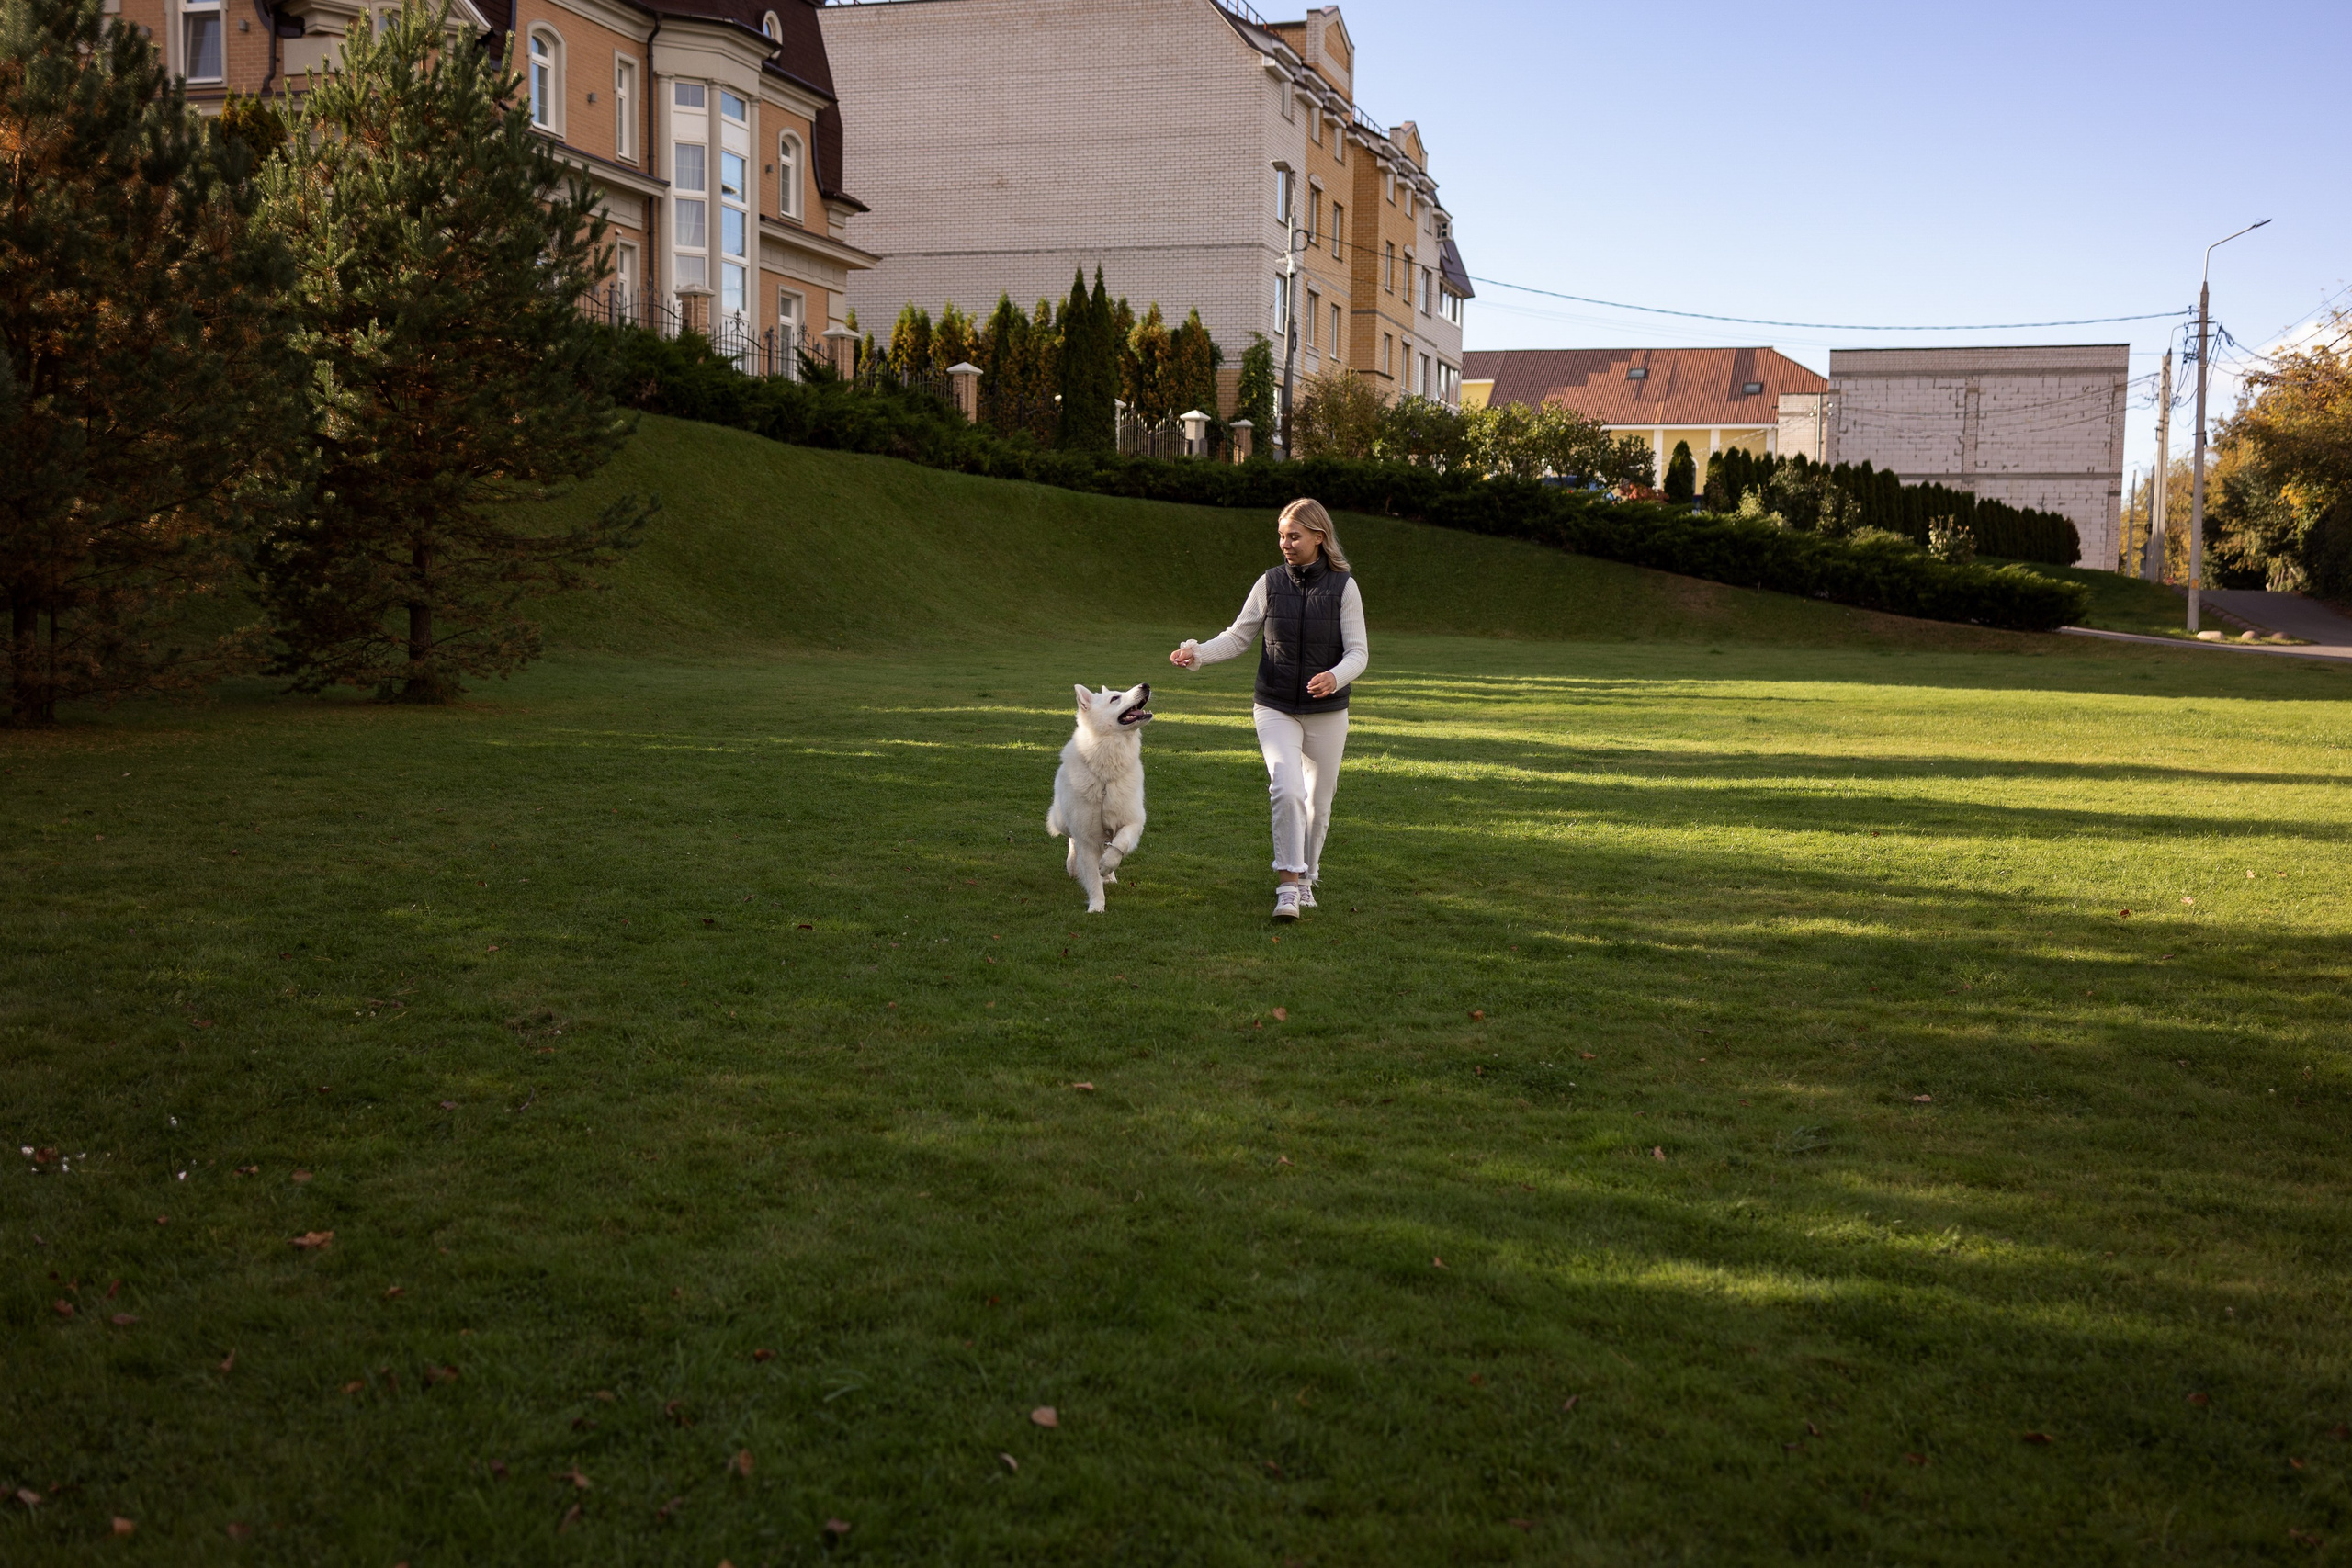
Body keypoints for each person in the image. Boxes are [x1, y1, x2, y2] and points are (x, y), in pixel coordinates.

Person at [1170, 498, 1368, 920]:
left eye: (1294, 536)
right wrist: (1198, 653)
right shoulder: (1269, 583)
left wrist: (1336, 676)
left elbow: (1359, 652)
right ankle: (1288, 886)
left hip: (1327, 711)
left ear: (1319, 537)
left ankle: (1309, 877)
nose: (1285, 544)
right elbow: (1239, 636)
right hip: (1275, 706)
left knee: (1318, 800)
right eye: (1281, 536)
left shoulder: (1343, 587)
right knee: (1286, 787)